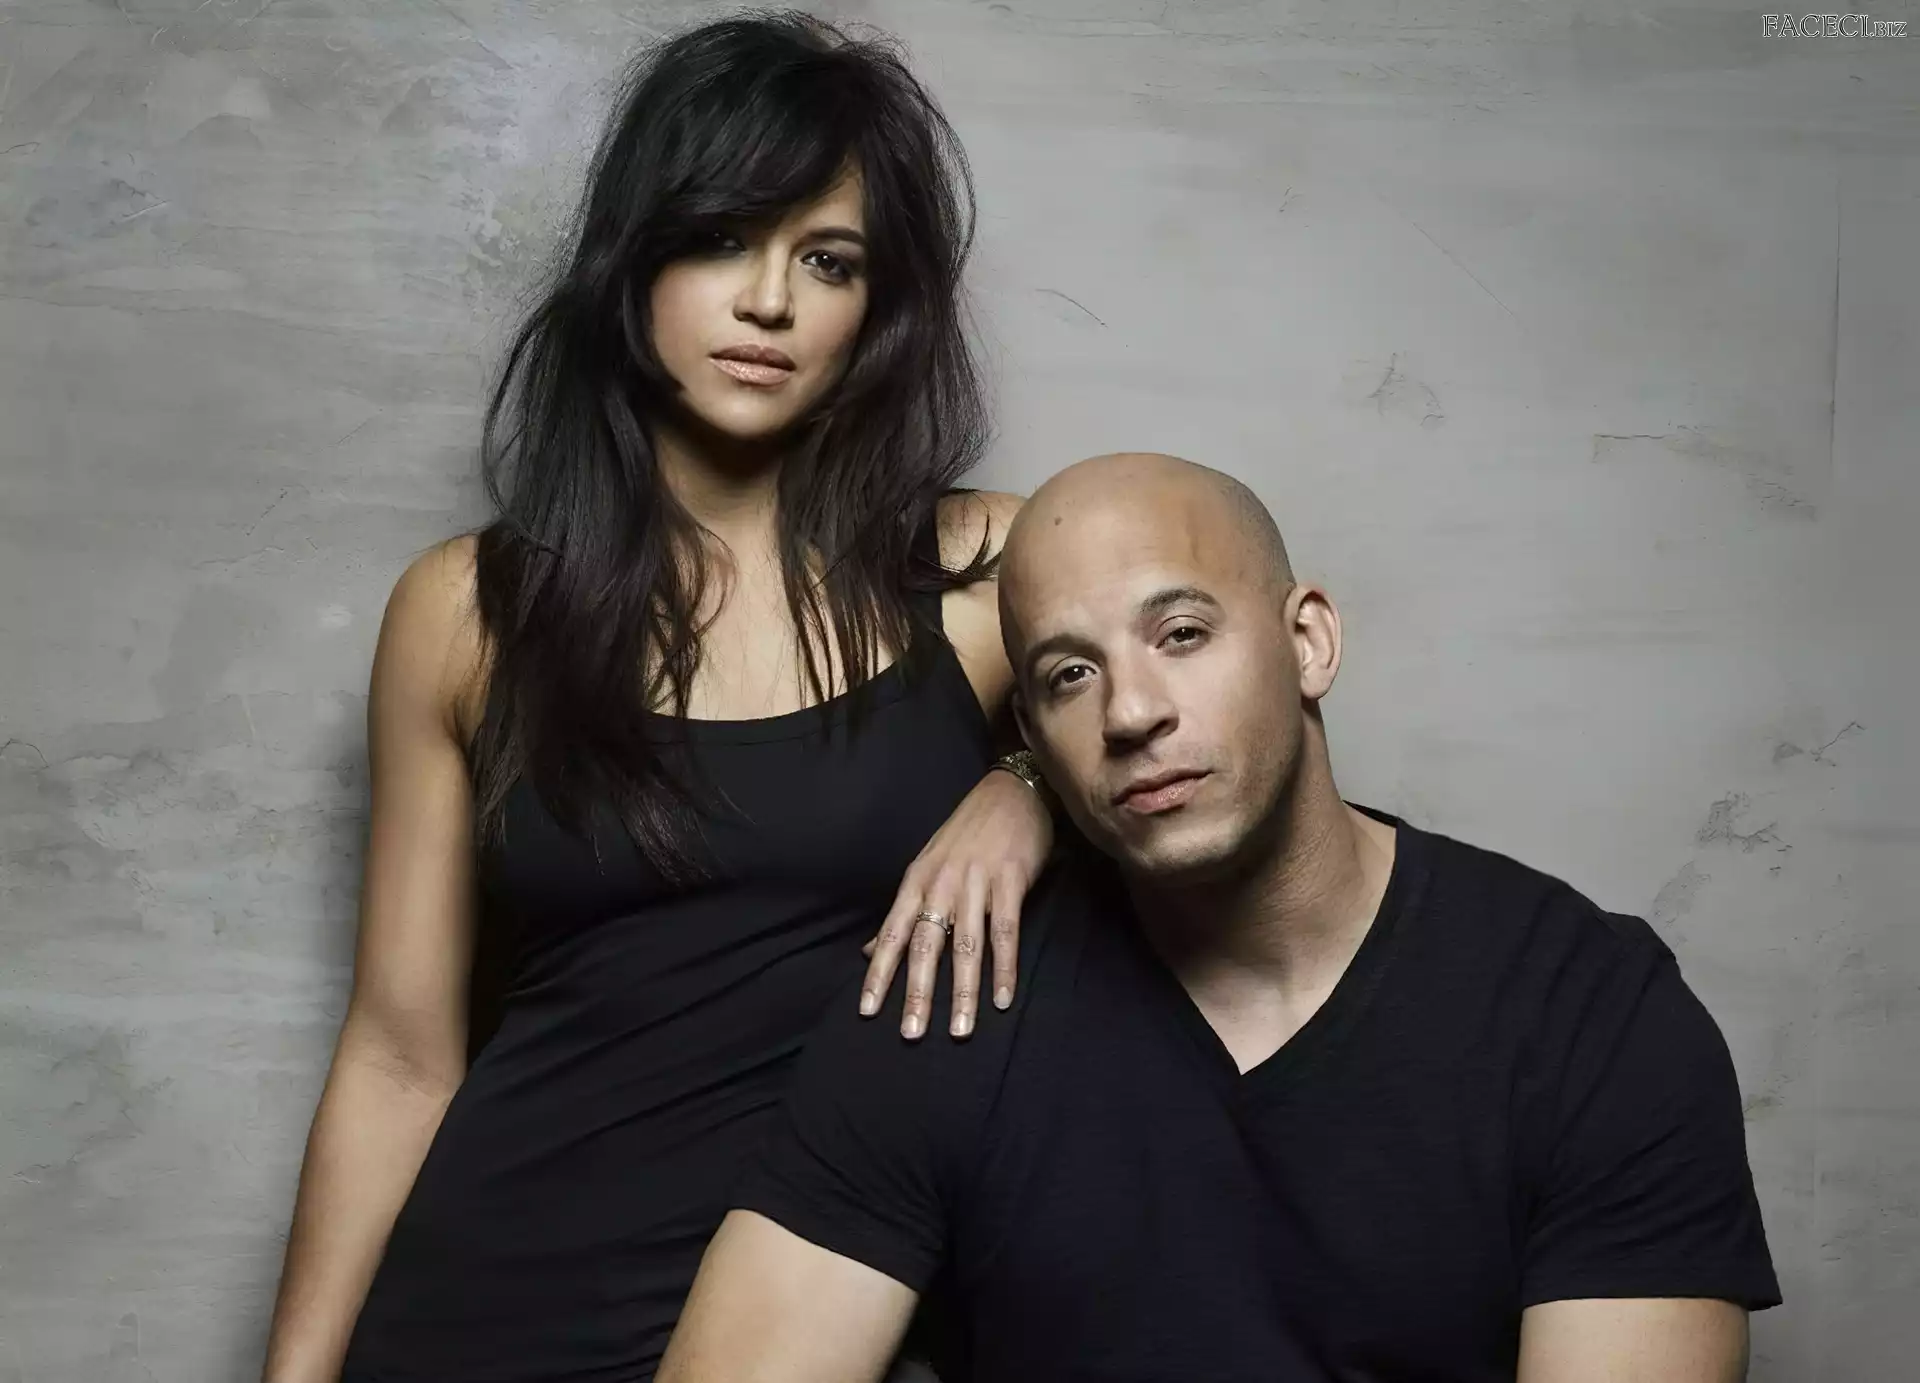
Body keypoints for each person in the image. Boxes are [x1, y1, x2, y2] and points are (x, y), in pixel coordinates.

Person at [260, 15, 1055, 1383]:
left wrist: (1025, 790)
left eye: (829, 260)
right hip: (488, 1313)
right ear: (633, 261)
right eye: (721, 239)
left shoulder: (987, 572)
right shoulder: (466, 612)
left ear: (878, 308)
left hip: (825, 1320)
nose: (770, 302)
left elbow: (1217, 748)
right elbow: (398, 1054)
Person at [657, 453, 1782, 1383]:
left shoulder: (1589, 1013)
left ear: (1309, 643)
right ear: (1032, 737)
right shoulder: (944, 997)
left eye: (1183, 634)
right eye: (1069, 674)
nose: (1133, 711)